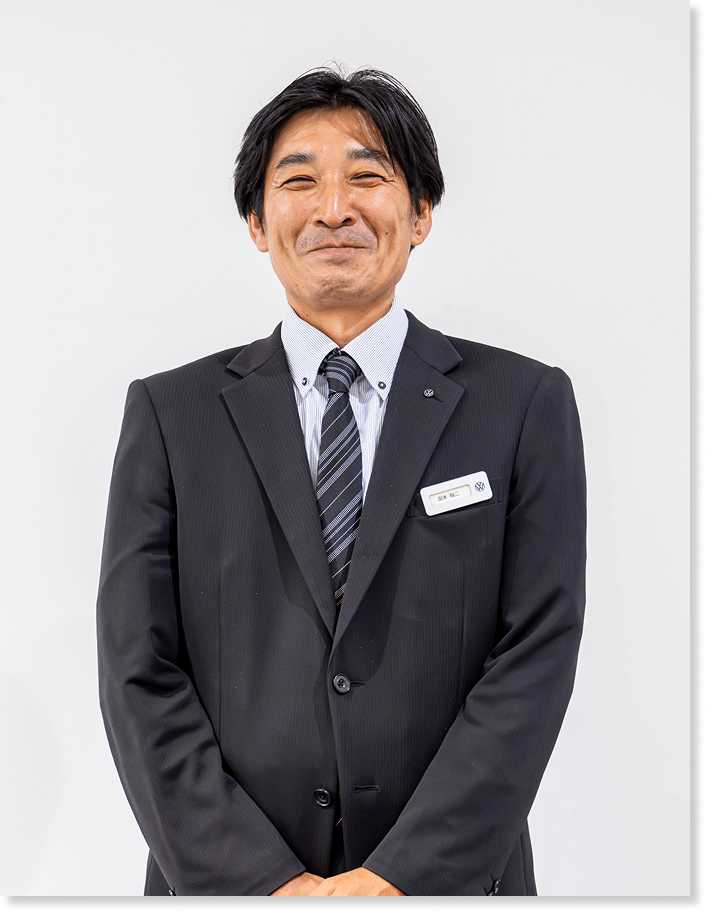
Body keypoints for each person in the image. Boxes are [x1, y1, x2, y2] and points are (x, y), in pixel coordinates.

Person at [97, 67, 586, 897]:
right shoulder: (171, 414)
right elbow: (136, 671)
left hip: (454, 883)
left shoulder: (523, 404)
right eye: (299, 182)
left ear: (420, 212)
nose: (334, 209)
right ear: (258, 222)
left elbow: (535, 657)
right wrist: (262, 882)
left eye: (367, 176)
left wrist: (398, 878)